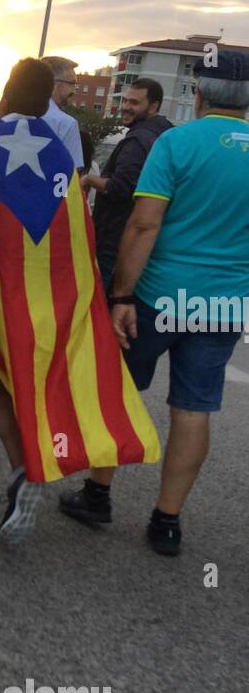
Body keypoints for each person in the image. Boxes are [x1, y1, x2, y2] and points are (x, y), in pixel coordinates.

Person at [59, 50, 249, 556]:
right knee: (194, 408)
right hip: (224, 305)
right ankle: (167, 521)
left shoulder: (176, 143)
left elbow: (144, 224)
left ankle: (98, 494)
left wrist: (121, 293)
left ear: (200, 93)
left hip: (158, 293)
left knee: (120, 389)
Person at [0, 58, 159, 545]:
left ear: (6, 94)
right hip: (53, 282)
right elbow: (75, 211)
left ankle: (21, 466)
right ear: (50, 95)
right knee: (42, 372)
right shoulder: (60, 142)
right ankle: (34, 462)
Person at [81, 78, 171, 292]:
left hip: (116, 241)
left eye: (134, 103)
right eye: (125, 101)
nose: (126, 107)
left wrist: (89, 179)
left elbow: (120, 188)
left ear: (153, 106)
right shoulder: (166, 135)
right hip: (147, 246)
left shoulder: (137, 141)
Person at [40, 55, 84, 170]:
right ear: (55, 83)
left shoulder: (4, 114)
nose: (74, 91)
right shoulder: (66, 123)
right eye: (72, 83)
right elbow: (73, 173)